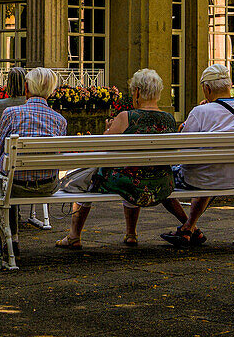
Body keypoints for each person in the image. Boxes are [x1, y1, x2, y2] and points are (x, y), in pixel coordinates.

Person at [55, 68, 178, 250]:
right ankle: (131, 233)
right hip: (160, 183)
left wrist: (108, 128)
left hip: (129, 182)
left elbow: (105, 147)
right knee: (132, 170)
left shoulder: (125, 117)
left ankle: (74, 235)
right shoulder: (169, 118)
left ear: (137, 92)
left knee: (88, 181)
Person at [161, 64, 234, 248]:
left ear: (207, 89)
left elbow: (181, 148)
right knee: (210, 169)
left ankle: (189, 228)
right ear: (229, 85)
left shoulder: (200, 112)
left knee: (158, 180)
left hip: (198, 179)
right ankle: (189, 228)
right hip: (232, 178)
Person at [0, 67, 68, 254]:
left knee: (5, 181)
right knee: (10, 178)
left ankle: (13, 237)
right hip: (46, 185)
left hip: (15, 185)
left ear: (26, 88)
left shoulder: (10, 113)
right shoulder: (59, 120)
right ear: (50, 91)